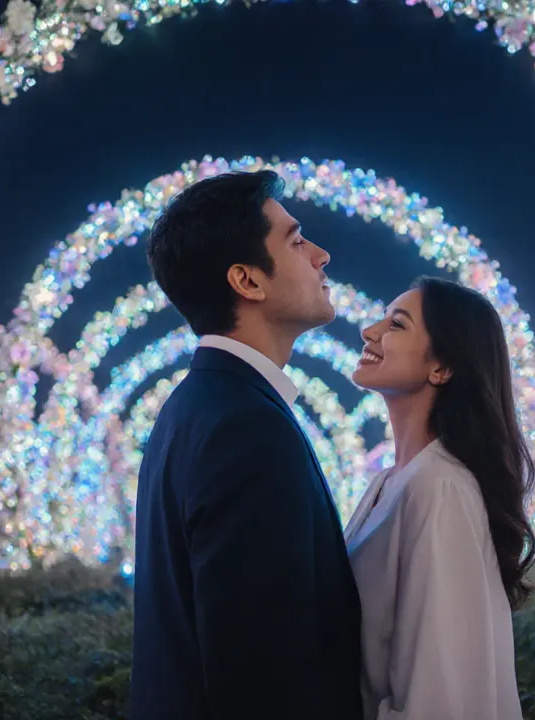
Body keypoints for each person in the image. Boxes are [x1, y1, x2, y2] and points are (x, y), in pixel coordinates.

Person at [131, 170, 362, 719]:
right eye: (296, 240)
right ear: (247, 281)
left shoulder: (194, 407)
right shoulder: (245, 427)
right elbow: (261, 676)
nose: (321, 254)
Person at [342, 277, 535, 720]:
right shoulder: (390, 482)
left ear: (442, 368)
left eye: (396, 324)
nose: (369, 331)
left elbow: (439, 696)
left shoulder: (439, 488)